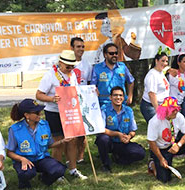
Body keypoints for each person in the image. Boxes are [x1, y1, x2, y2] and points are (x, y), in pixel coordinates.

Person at [36, 50, 88, 180]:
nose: (70, 69)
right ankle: (57, 172)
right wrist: (52, 98)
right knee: (58, 142)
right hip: (53, 112)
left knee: (72, 141)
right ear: (60, 63)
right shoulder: (50, 75)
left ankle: (73, 169)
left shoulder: (72, 75)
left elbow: (75, 90)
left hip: (70, 111)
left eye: (72, 66)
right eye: (68, 66)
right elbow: (38, 94)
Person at [6, 99, 70, 188]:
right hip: (24, 160)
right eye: (36, 112)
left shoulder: (44, 125)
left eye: (39, 111)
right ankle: (24, 183)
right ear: (26, 115)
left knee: (59, 170)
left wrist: (62, 141)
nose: (40, 114)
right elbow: (9, 152)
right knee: (27, 173)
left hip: (41, 158)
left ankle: (44, 179)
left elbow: (49, 145)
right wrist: (22, 159)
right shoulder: (15, 129)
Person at [147, 97, 185, 183]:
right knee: (164, 179)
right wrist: (161, 158)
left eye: (177, 109)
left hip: (173, 145)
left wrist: (179, 145)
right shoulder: (155, 121)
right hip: (160, 149)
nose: (176, 111)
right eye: (173, 110)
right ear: (165, 110)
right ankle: (152, 164)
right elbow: (151, 142)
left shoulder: (179, 116)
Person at [96, 86, 146, 173]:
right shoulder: (104, 109)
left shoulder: (128, 110)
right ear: (110, 97)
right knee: (102, 139)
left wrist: (129, 136)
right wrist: (117, 134)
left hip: (122, 142)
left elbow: (133, 130)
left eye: (120, 95)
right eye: (115, 95)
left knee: (140, 153)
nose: (118, 97)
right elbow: (101, 129)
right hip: (109, 141)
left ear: (123, 97)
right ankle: (106, 164)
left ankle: (118, 158)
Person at [91, 43, 135, 107]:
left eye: (116, 53)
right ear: (105, 55)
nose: (114, 55)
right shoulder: (97, 68)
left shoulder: (122, 67)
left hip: (121, 103)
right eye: (111, 53)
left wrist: (130, 96)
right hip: (104, 104)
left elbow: (131, 81)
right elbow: (93, 86)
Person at [71, 37, 89, 165]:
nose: (81, 49)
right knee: (70, 132)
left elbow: (88, 83)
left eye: (82, 46)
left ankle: (80, 157)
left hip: (83, 101)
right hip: (69, 101)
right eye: (78, 46)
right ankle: (69, 157)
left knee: (82, 132)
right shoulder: (65, 63)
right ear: (72, 48)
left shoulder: (87, 65)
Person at [140, 50, 170, 123]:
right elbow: (151, 94)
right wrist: (158, 111)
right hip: (151, 106)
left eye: (166, 61)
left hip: (161, 105)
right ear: (156, 61)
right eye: (162, 61)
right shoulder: (152, 75)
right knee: (156, 128)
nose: (165, 63)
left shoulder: (160, 72)